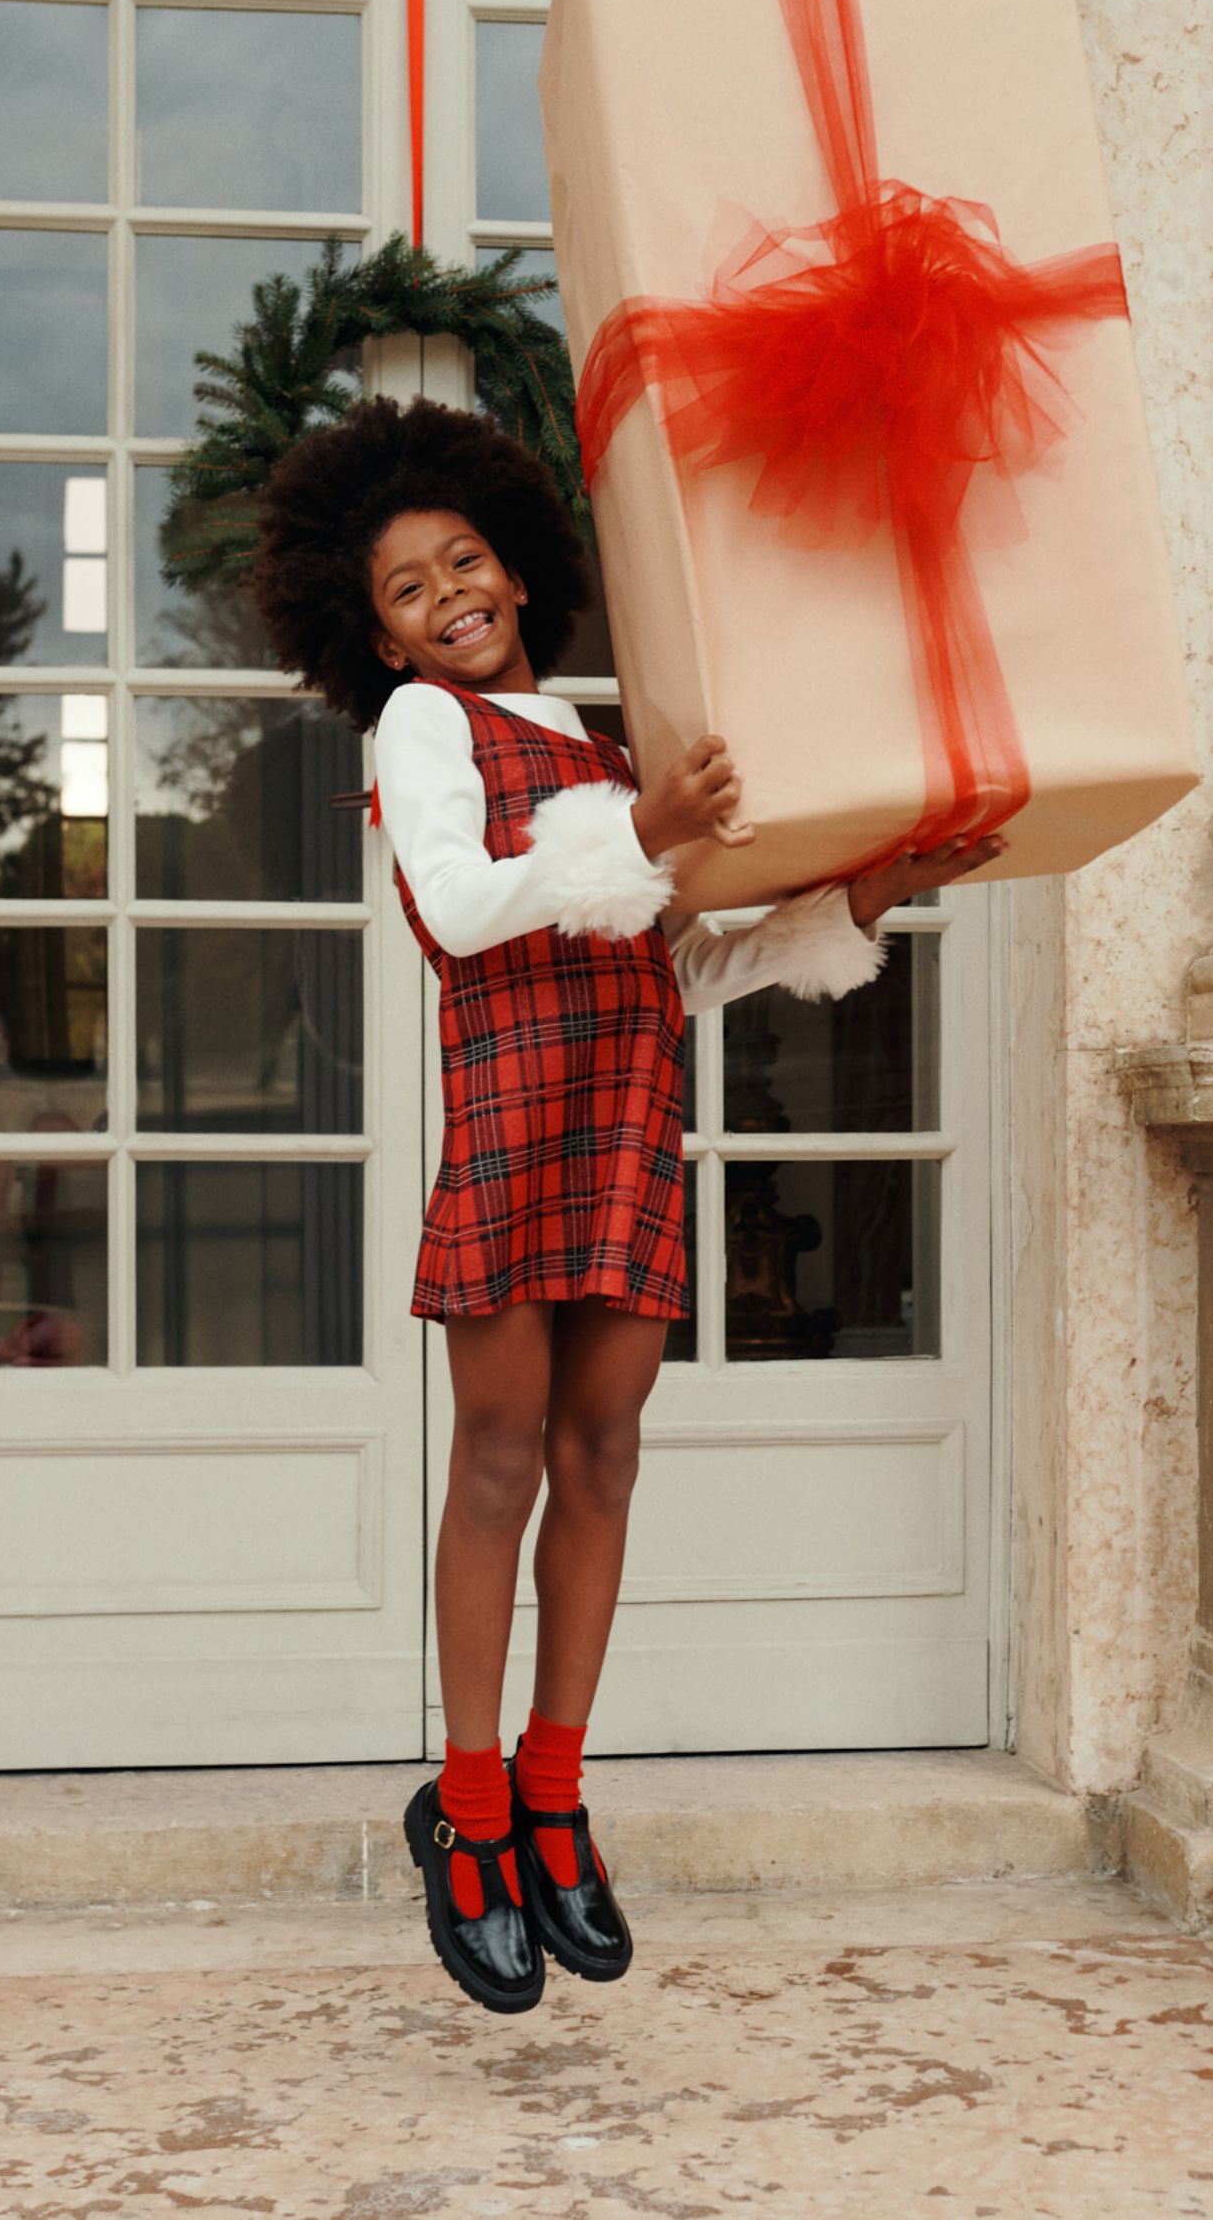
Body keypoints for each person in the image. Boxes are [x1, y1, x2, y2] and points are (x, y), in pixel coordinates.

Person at [251, 397, 1002, 2014]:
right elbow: (463, 907)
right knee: (501, 1457)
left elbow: (683, 961)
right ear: (377, 638)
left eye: (465, 561)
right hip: (516, 1126)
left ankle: (553, 1790)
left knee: (602, 1454)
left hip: (630, 1126)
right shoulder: (425, 731)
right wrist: (643, 829)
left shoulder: (602, 745)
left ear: (520, 571)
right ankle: (464, 1813)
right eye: (406, 589)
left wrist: (855, 900)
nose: (448, 594)